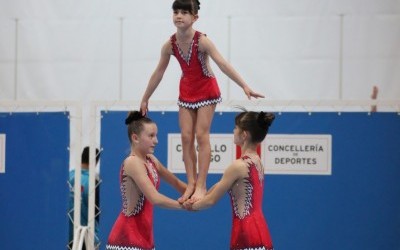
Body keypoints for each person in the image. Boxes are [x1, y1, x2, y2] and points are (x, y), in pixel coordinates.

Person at [140, 0, 265, 203]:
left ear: (195, 17)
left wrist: (244, 85)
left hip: (207, 89)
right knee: (186, 137)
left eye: (184, 12)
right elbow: (158, 72)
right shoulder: (169, 45)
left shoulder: (202, 41)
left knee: (201, 134)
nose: (179, 16)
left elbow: (222, 64)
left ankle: (201, 185)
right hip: (187, 91)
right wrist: (145, 97)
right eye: (176, 12)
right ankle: (190, 182)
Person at [184, 110, 275, 250]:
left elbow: (211, 200)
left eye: (235, 128)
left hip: (246, 233)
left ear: (244, 135)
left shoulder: (238, 166)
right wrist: (198, 197)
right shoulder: (257, 162)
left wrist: (191, 207)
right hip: (261, 231)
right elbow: (220, 185)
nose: (233, 131)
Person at [106, 111, 187, 250]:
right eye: (151, 136)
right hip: (126, 238)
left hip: (145, 237)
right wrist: (184, 206)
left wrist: (199, 195)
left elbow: (176, 183)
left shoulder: (151, 160)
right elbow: (155, 198)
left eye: (156, 135)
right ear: (135, 138)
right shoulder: (132, 162)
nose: (156, 141)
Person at [68, 146, 101, 250]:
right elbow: (98, 213)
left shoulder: (68, 177)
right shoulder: (93, 183)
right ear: (96, 162)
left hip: (65, 234)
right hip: (84, 237)